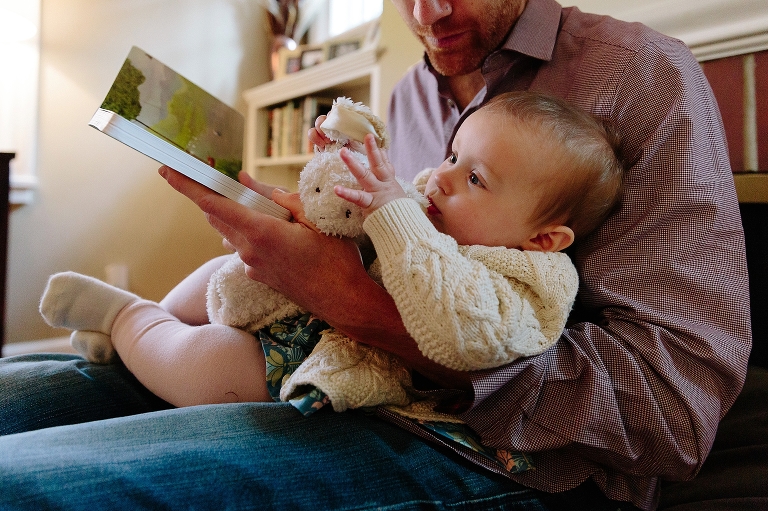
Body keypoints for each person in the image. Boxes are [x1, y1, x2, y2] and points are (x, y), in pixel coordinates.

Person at [0, 1, 751, 510]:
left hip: (497, 450)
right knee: (20, 389)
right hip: (324, 367)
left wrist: (355, 302)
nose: (427, 14)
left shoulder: (640, 76)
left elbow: (673, 412)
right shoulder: (407, 100)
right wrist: (303, 236)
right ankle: (135, 324)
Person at [37, 91, 621, 420]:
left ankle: (127, 319)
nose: (440, 180)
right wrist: (331, 177)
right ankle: (146, 318)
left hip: (325, 362)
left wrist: (392, 215)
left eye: (476, 178)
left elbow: (461, 331)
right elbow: (350, 230)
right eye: (450, 156)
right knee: (223, 270)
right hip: (298, 315)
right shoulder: (432, 205)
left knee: (211, 368)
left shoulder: (529, 287)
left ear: (543, 238)